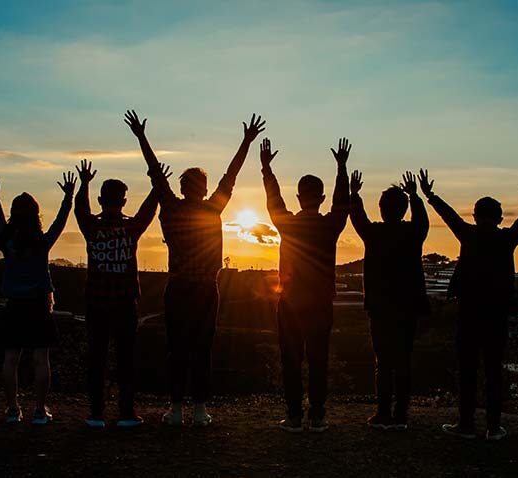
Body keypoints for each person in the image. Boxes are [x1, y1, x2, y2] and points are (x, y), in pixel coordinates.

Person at [124, 109, 266, 426]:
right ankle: (200, 410)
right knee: (202, 349)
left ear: (182, 187)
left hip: (178, 287)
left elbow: (155, 173)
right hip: (205, 289)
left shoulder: (171, 207)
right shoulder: (212, 209)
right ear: (203, 188)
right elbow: (231, 175)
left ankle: (176, 409)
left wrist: (142, 137)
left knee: (177, 348)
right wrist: (246, 141)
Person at [421, 171, 518, 441]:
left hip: (469, 313)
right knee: (493, 371)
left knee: (467, 370)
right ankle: (493, 426)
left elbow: (449, 216)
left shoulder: (468, 234)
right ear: (500, 218)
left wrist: (430, 195)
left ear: (475, 216)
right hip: (497, 315)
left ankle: (466, 424)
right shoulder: (507, 239)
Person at [260, 137, 350, 433]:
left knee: (291, 360)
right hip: (321, 303)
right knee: (318, 359)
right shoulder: (330, 225)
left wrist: (267, 170)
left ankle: (295, 416)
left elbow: (274, 201)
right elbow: (342, 204)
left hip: (290, 302)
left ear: (298, 198)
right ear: (321, 198)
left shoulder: (288, 224)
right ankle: (318, 416)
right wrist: (341, 168)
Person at [73, 159, 170, 429]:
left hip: (96, 303)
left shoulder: (92, 228)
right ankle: (126, 412)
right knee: (126, 359)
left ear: (100, 200)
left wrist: (83, 184)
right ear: (124, 201)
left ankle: (95, 413)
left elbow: (80, 210)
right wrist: (156, 186)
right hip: (125, 304)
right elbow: (147, 212)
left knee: (97, 358)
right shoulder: (130, 228)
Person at [0, 171, 76, 425]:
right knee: (40, 360)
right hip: (39, 306)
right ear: (36, 215)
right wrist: (68, 197)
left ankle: (12, 409)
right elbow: (60, 222)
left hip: (14, 305)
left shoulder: (7, 241)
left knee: (11, 359)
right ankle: (39, 410)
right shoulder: (42, 242)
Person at [349, 170, 430, 431]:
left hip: (380, 307)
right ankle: (401, 415)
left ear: (382, 209)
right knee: (403, 360)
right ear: (404, 210)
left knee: (383, 362)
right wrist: (415, 196)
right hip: (408, 306)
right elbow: (423, 221)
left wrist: (354, 194)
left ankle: (383, 413)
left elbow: (357, 218)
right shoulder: (413, 233)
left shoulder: (374, 233)